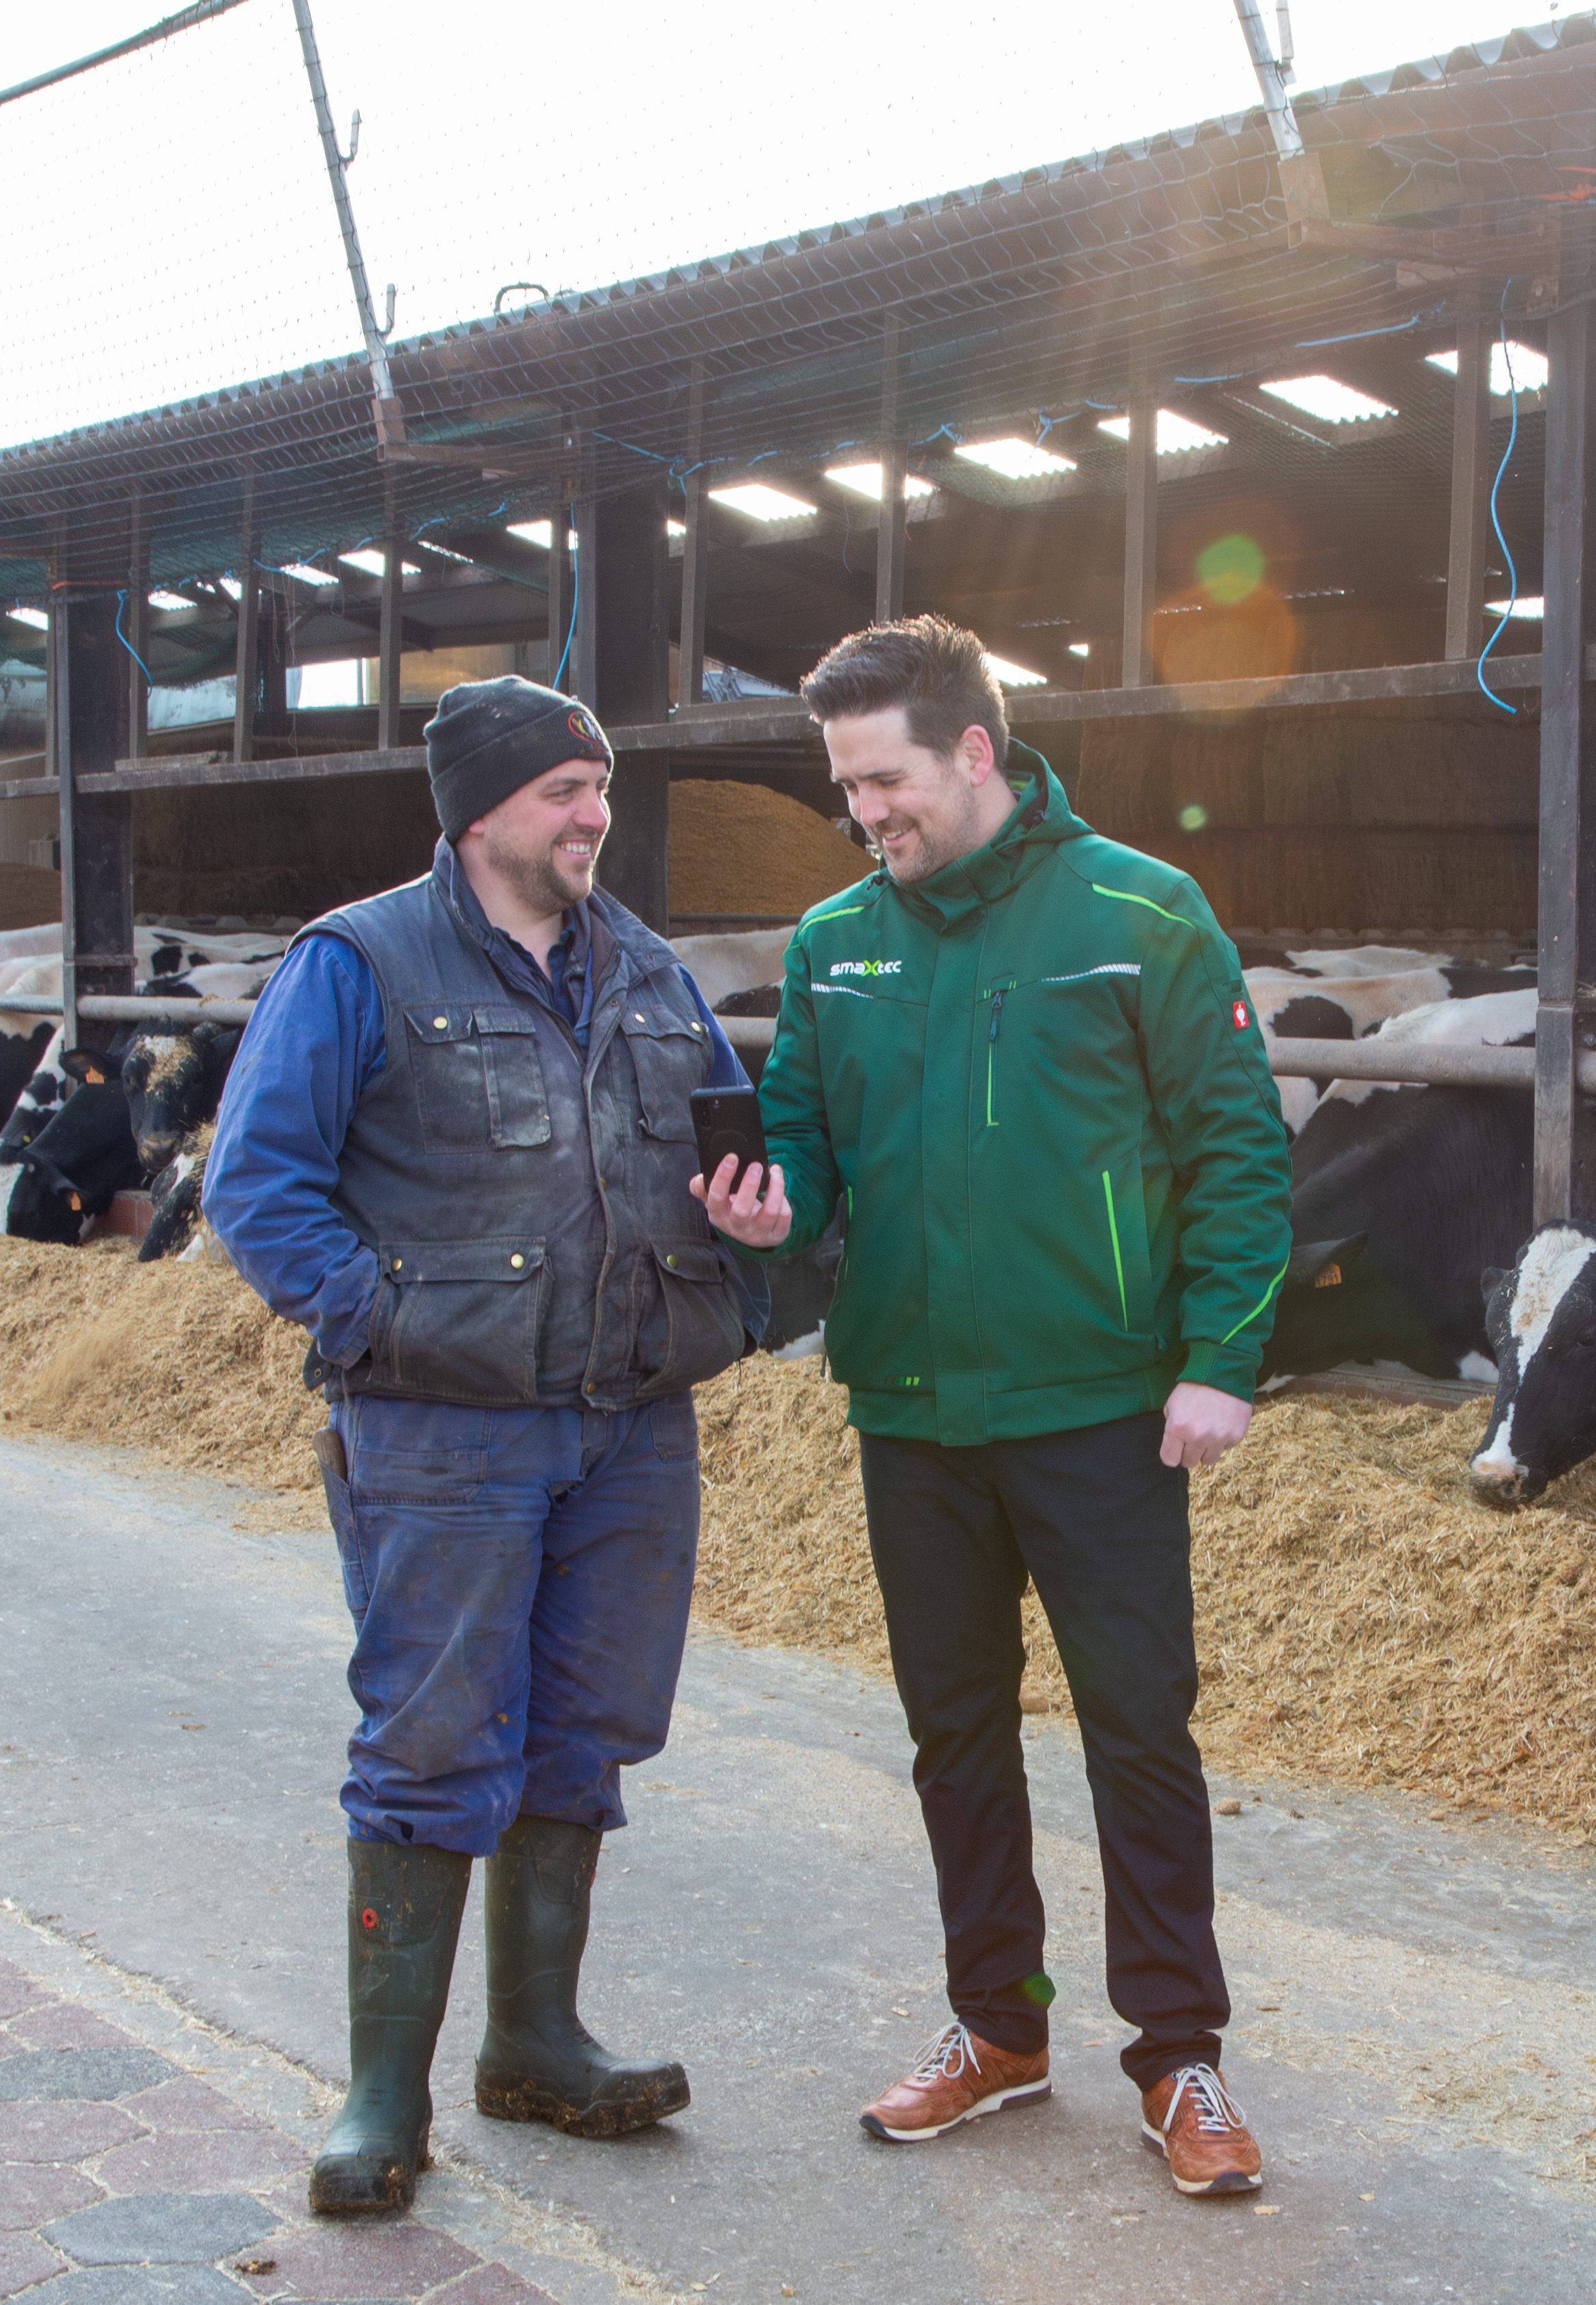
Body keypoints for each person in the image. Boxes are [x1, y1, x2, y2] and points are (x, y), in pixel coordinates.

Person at [694, 616, 1291, 2198]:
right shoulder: (835, 942)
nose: (862, 815)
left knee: (1135, 1730)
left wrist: (1220, 1358)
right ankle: (998, 2027)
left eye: (882, 781)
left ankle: (1177, 2054)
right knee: (954, 1733)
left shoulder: (1138, 912)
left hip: (1098, 1404)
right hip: (909, 1406)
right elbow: (803, 1142)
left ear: (975, 751)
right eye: (843, 789)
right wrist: (773, 1209)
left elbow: (1238, 1151)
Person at [203, 674, 762, 2216]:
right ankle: (384, 2097)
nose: (595, 816)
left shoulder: (647, 968)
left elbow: (732, 1154)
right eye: (562, 793)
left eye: (600, 788)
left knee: (584, 1732)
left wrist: (752, 1235)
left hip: (628, 1424)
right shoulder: (359, 962)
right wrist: (383, 1320)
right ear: (476, 814)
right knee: (432, 1741)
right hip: (445, 1433)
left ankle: (535, 2043)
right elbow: (256, 1188)